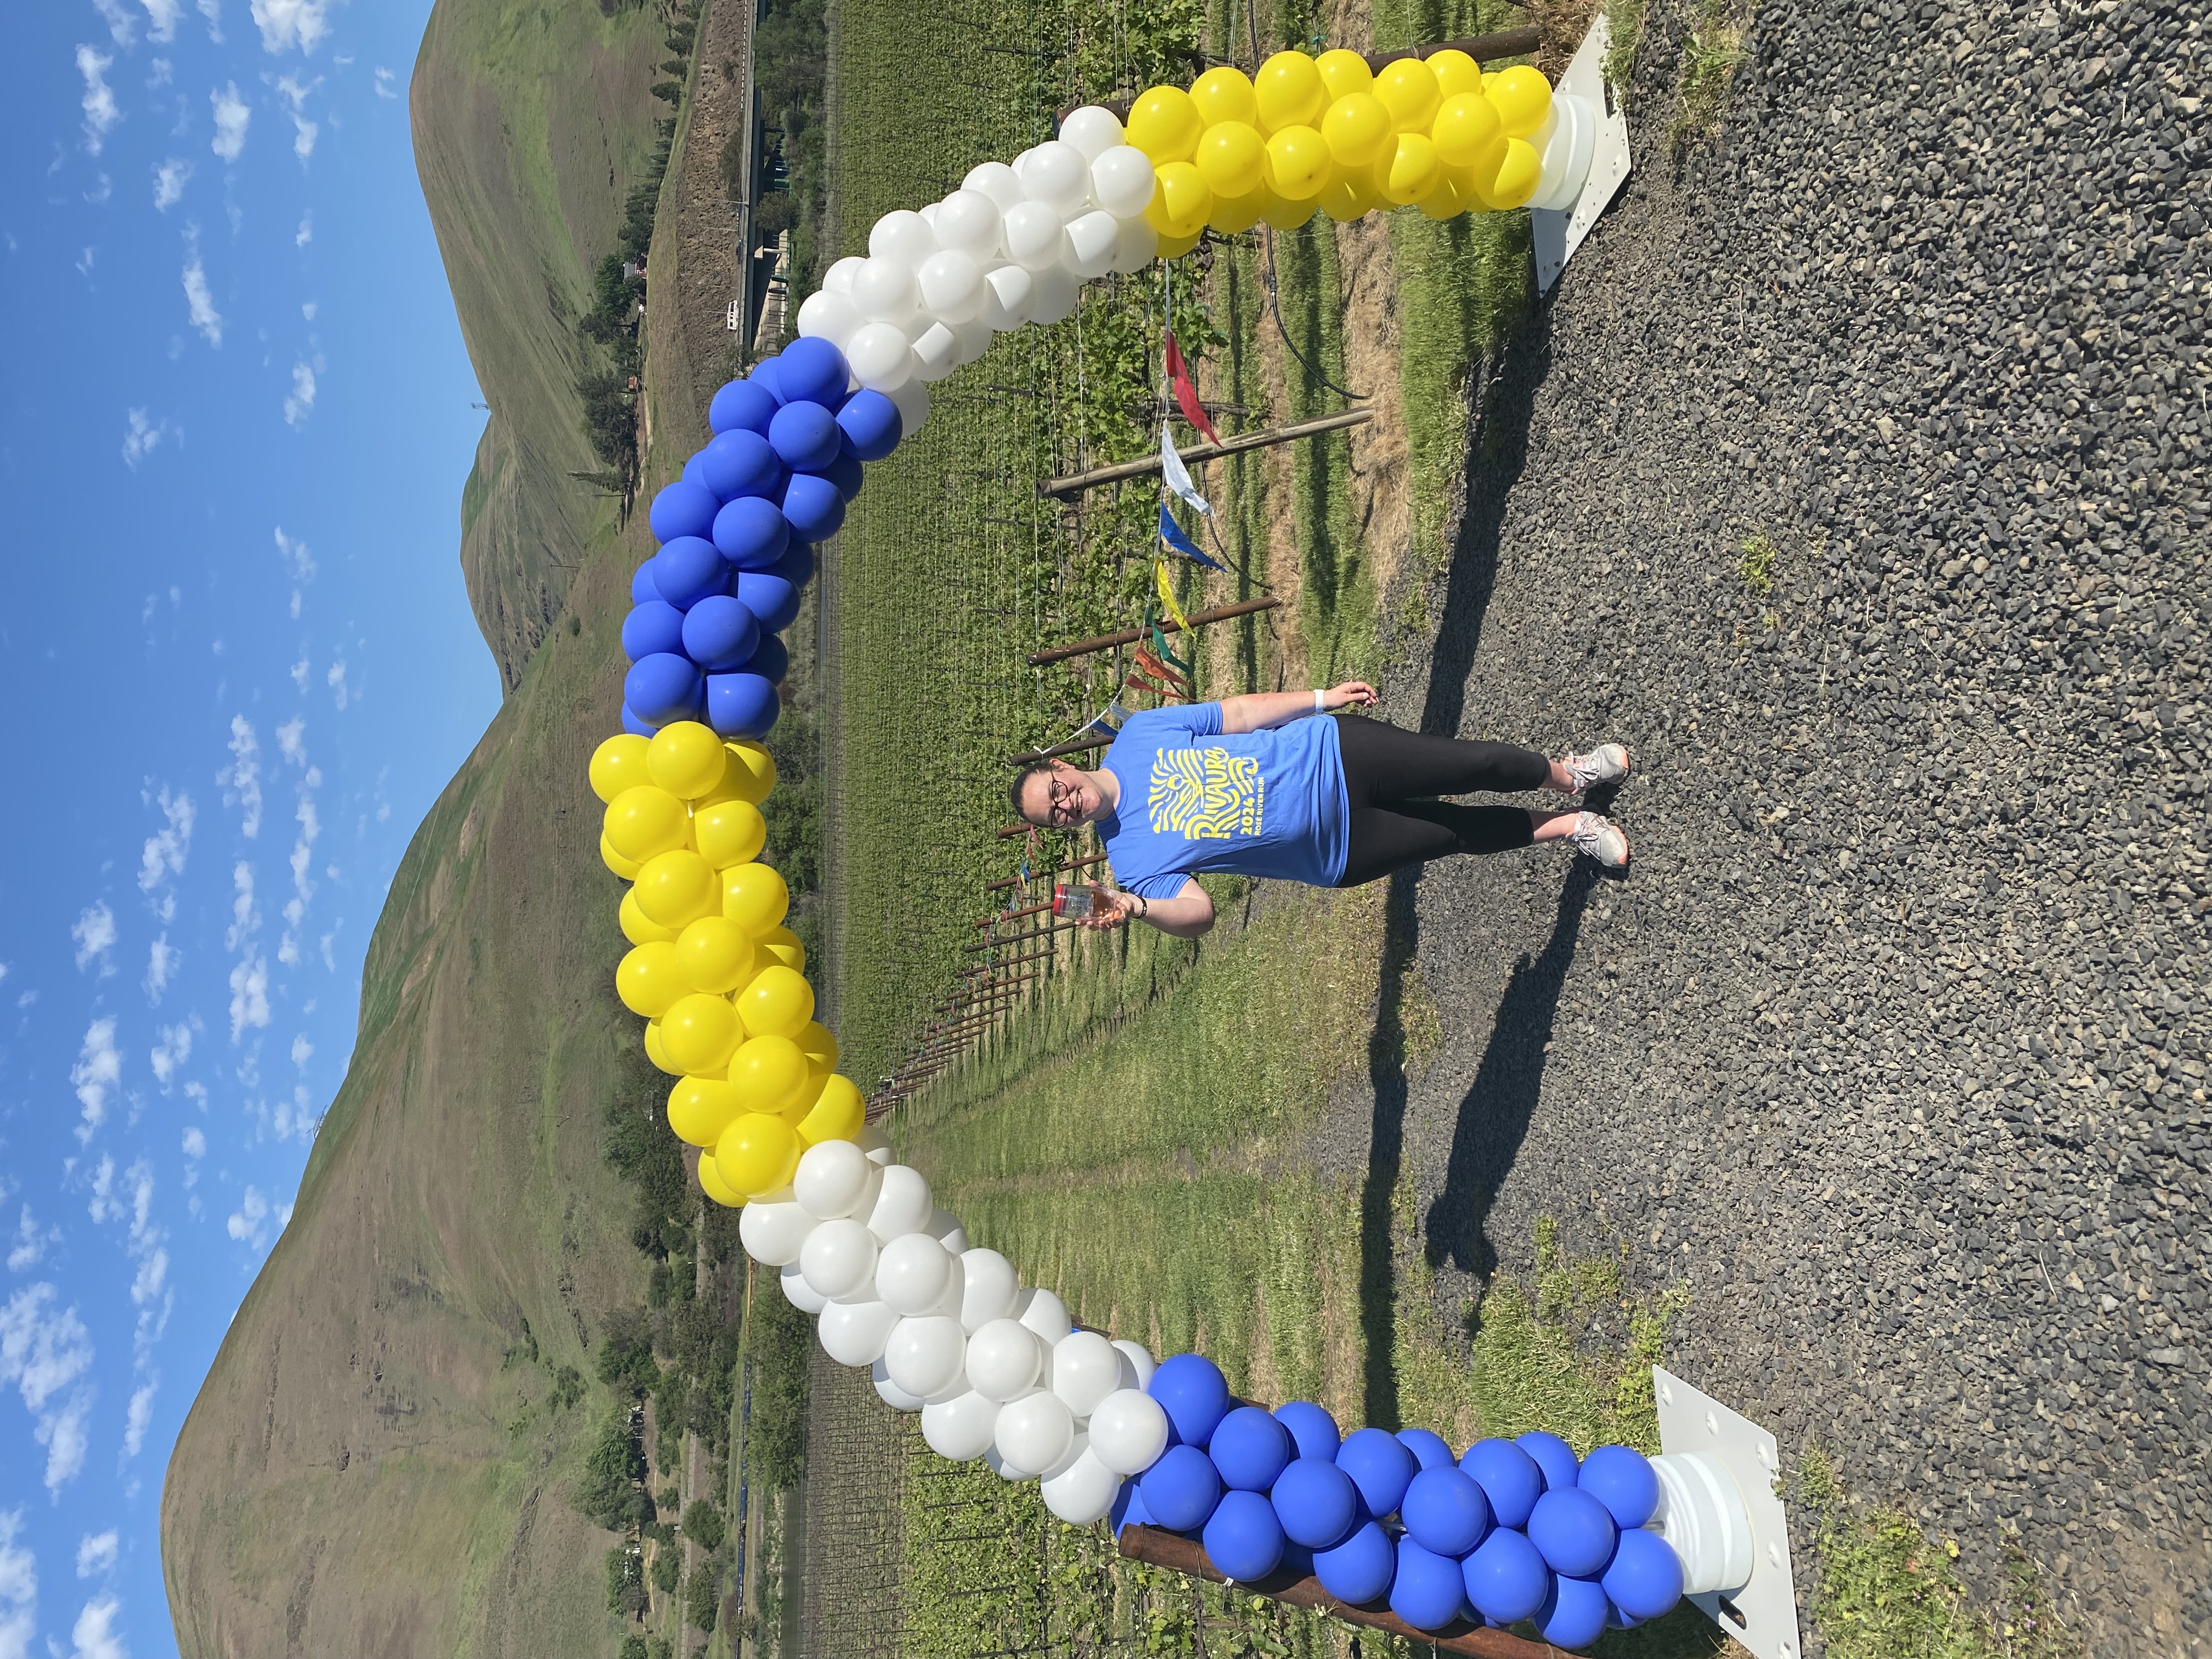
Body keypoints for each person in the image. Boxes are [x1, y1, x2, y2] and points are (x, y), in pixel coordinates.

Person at [1008, 682, 1631, 938]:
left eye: (1056, 791)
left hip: (1336, 753)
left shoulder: (1139, 734)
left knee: (1473, 763)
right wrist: (1136, 907)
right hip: (1337, 850)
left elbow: (1238, 714)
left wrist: (1319, 698)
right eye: (1055, 815)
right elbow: (1200, 915)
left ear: (1061, 767)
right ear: (1060, 828)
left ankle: (1567, 776)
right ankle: (1573, 827)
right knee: (1454, 833)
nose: (1066, 805)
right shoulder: (1130, 864)